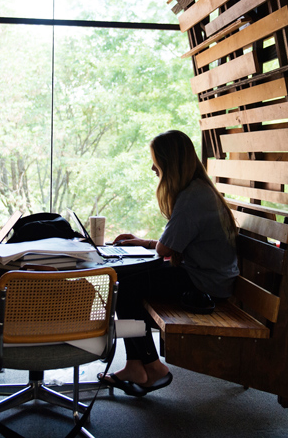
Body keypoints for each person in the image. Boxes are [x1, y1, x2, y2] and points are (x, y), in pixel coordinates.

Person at [99, 130, 238, 397]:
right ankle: (136, 366)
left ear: (169, 162)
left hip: (205, 283)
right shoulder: (197, 190)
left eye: (156, 161)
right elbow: (170, 246)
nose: (153, 167)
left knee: (125, 286)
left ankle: (151, 367)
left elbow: (165, 248)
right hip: (206, 275)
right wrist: (144, 242)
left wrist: (150, 244)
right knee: (127, 283)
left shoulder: (193, 197)